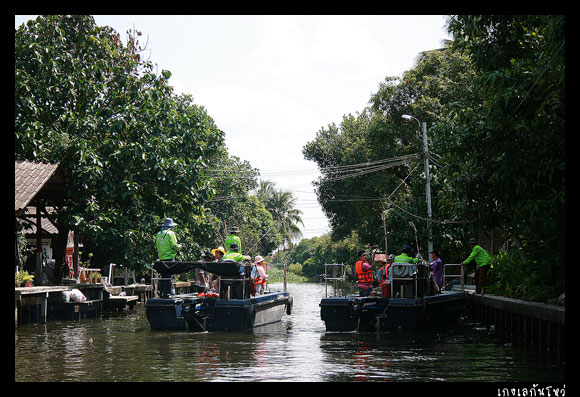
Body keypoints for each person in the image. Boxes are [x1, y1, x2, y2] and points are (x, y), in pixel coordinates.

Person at [155, 217, 180, 297]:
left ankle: (161, 293)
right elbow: (174, 246)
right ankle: (167, 294)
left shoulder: (158, 234)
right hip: (169, 258)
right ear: (170, 226)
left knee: (163, 276)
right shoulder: (171, 233)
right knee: (169, 276)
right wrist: (180, 246)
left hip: (161, 258)